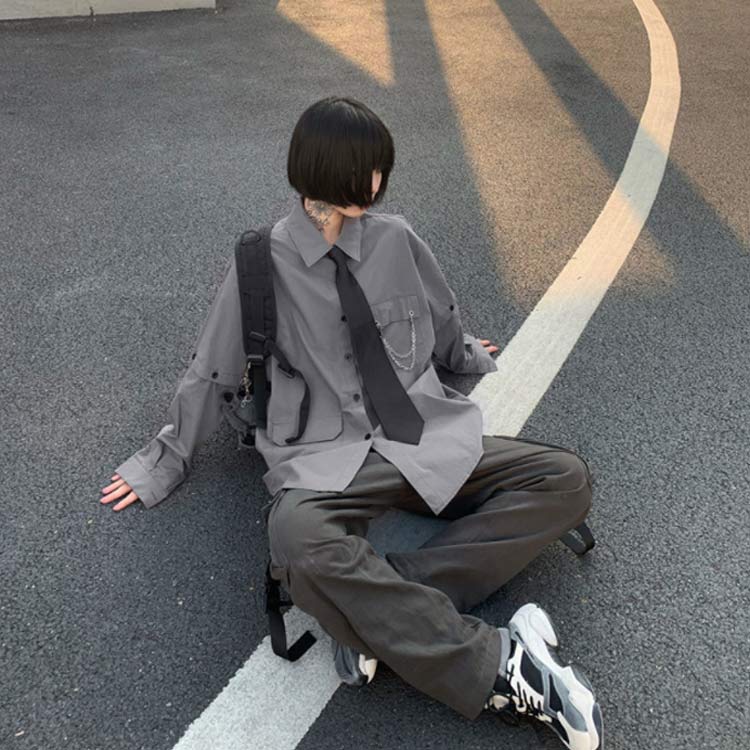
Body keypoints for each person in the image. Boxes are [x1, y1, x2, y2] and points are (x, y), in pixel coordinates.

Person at [100, 95, 602, 750]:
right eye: (366, 167)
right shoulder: (259, 264)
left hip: (420, 435)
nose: (377, 181)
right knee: (295, 538)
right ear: (322, 169)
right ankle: (504, 666)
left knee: (565, 479)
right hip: (324, 457)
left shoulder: (396, 239)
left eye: (380, 167)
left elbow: (440, 314)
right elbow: (210, 371)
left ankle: (374, 615)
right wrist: (161, 462)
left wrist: (463, 354)